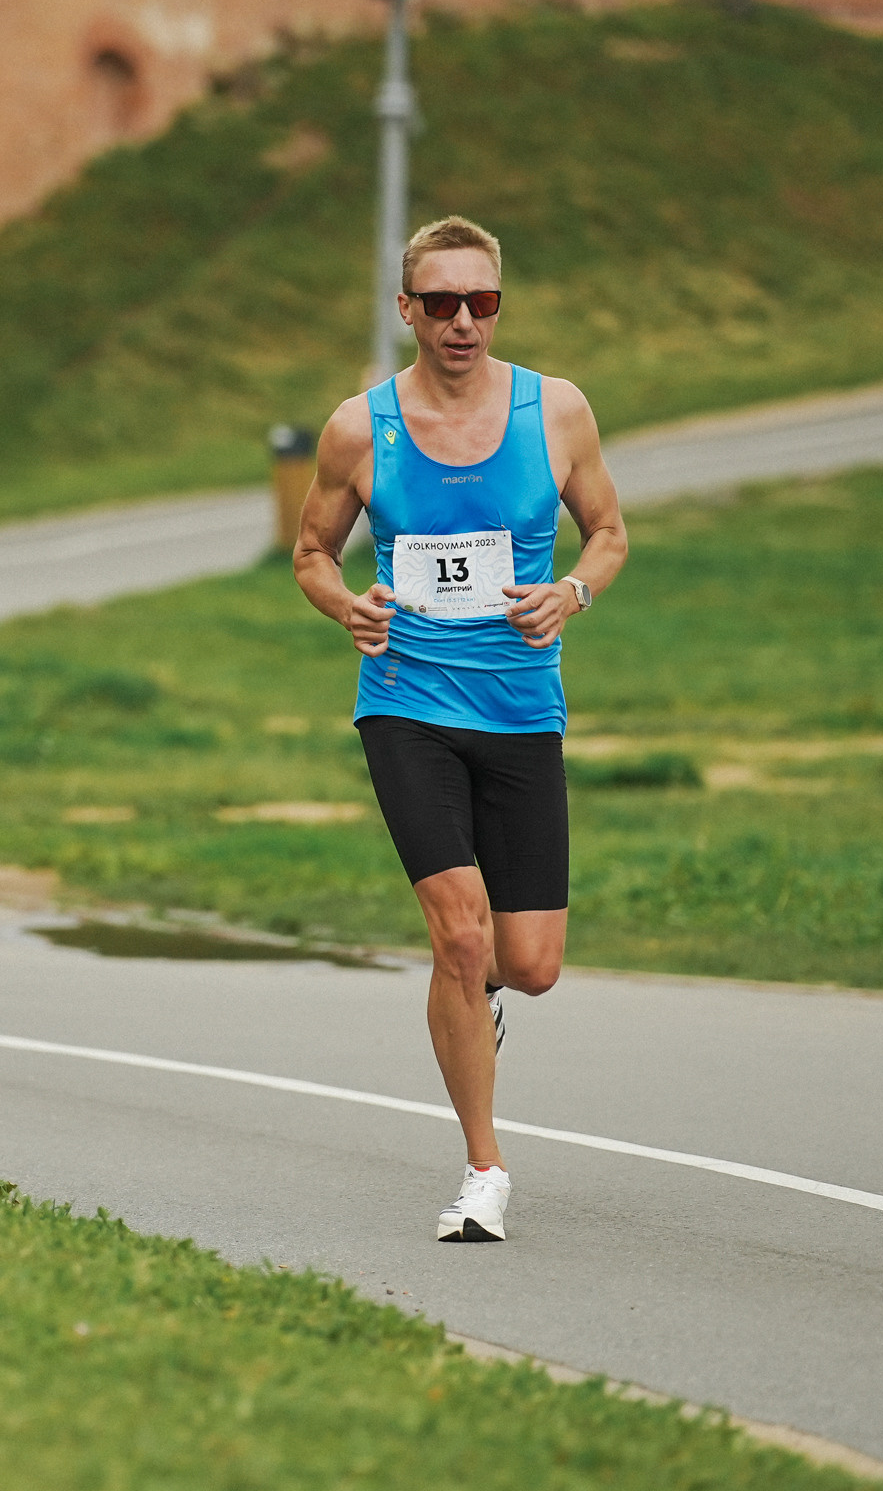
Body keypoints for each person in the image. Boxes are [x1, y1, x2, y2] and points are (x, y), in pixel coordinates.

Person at [293, 216, 627, 1243]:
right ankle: (483, 1168)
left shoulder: (556, 410)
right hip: (407, 705)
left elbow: (610, 532)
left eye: (480, 301)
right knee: (461, 933)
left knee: (527, 963)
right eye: (440, 303)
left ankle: (471, 995)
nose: (463, 321)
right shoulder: (361, 427)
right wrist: (345, 603)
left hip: (523, 708)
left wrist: (570, 590)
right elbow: (311, 550)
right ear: (408, 311)